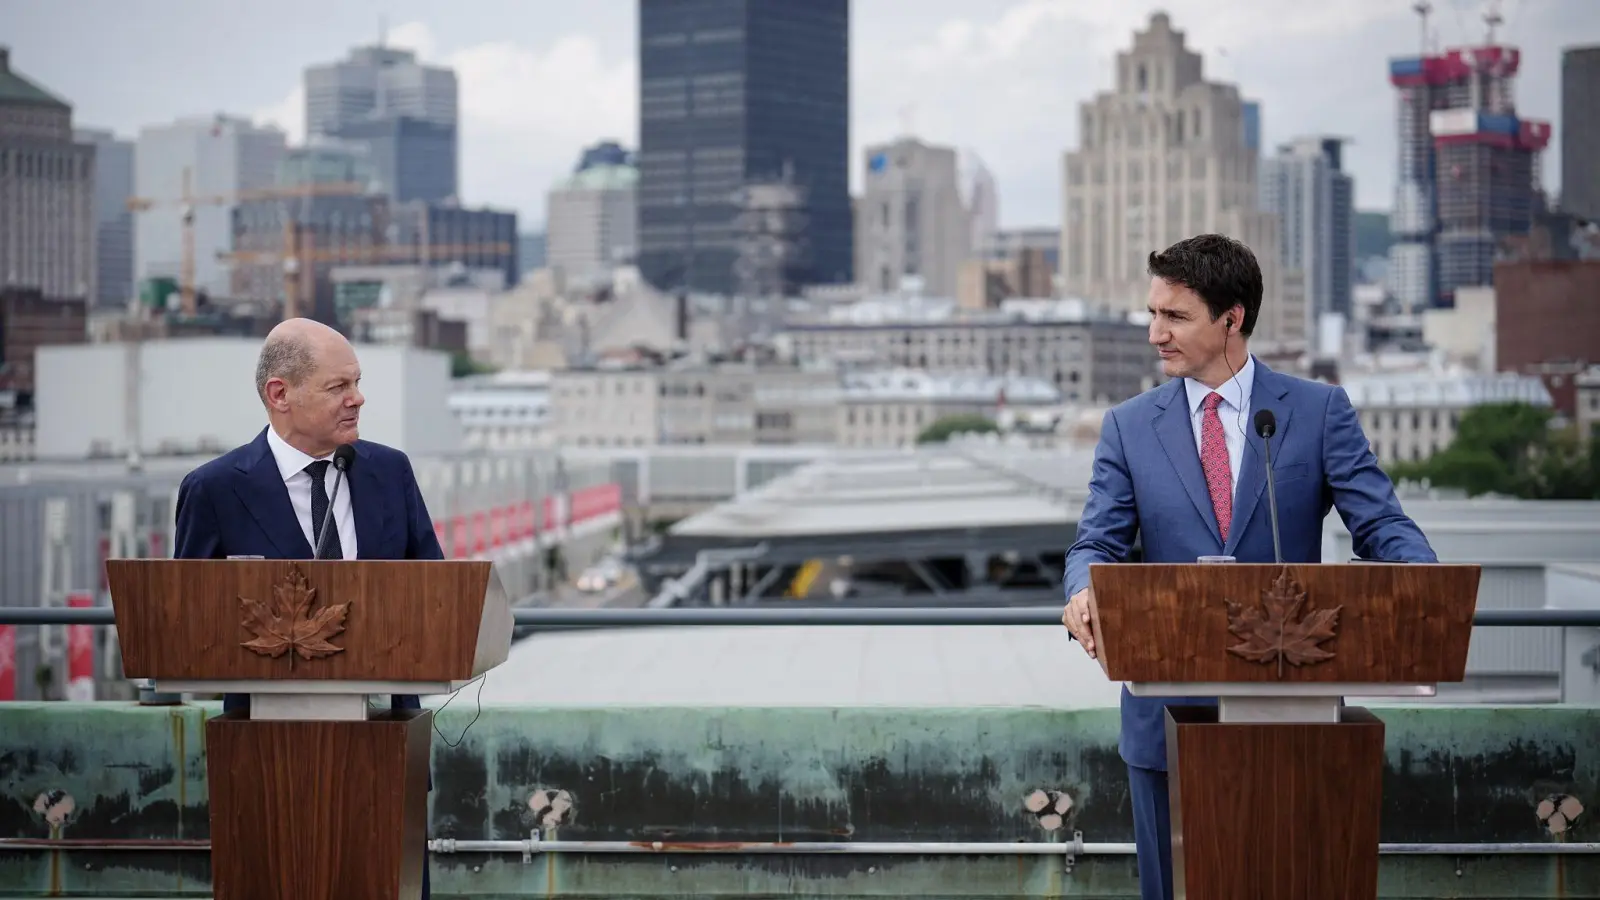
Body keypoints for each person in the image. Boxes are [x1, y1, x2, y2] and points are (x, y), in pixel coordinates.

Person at [1060, 234, 1436, 900]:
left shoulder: (1319, 413)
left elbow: (1380, 526)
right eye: (1152, 315)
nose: (1155, 334)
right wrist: (1084, 591)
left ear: (1232, 318)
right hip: (1164, 720)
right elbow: (1098, 542)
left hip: (1293, 718)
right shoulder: (1125, 426)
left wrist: (1426, 594)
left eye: (1174, 317)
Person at [173, 317, 442, 898]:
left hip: (386, 747)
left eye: (358, 382)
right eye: (338, 386)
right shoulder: (214, 489)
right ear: (280, 394)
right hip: (264, 763)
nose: (358, 398)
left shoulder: (389, 471)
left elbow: (436, 596)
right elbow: (185, 624)